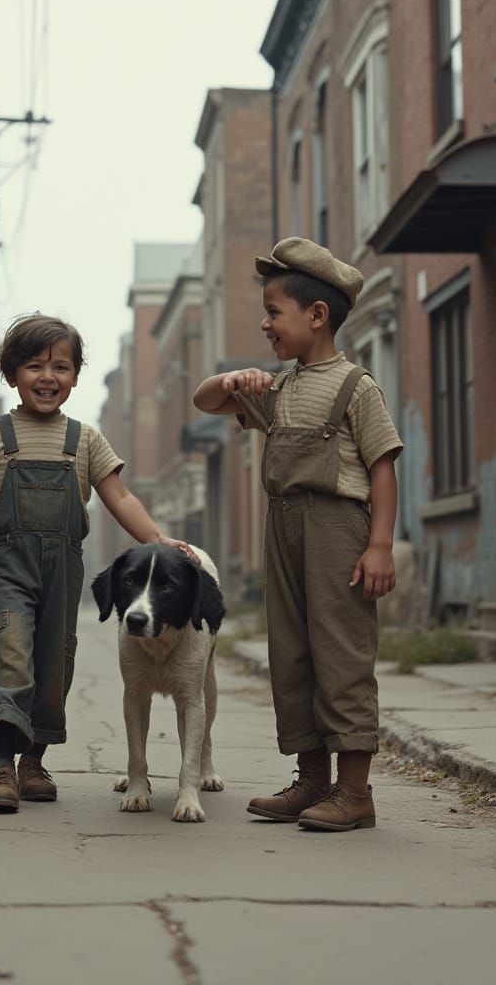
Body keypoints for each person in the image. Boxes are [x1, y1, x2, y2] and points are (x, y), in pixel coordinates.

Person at [193, 238, 403, 831]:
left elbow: (383, 466)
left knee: (342, 651)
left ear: (317, 316)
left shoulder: (355, 386)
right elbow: (204, 400)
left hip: (339, 528)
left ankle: (354, 791)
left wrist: (380, 544)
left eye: (273, 313)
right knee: (291, 653)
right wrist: (234, 379)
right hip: (282, 528)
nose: (265, 324)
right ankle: (312, 780)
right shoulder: (276, 389)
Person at [0, 314, 192, 813]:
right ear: (11, 373)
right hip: (5, 565)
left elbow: (119, 496)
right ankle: (0, 767)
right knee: (8, 649)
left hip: (63, 568)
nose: (48, 377)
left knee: (53, 660)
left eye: (61, 367)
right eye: (34, 365)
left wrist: (156, 539)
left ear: (76, 376)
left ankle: (34, 762)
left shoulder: (84, 440)